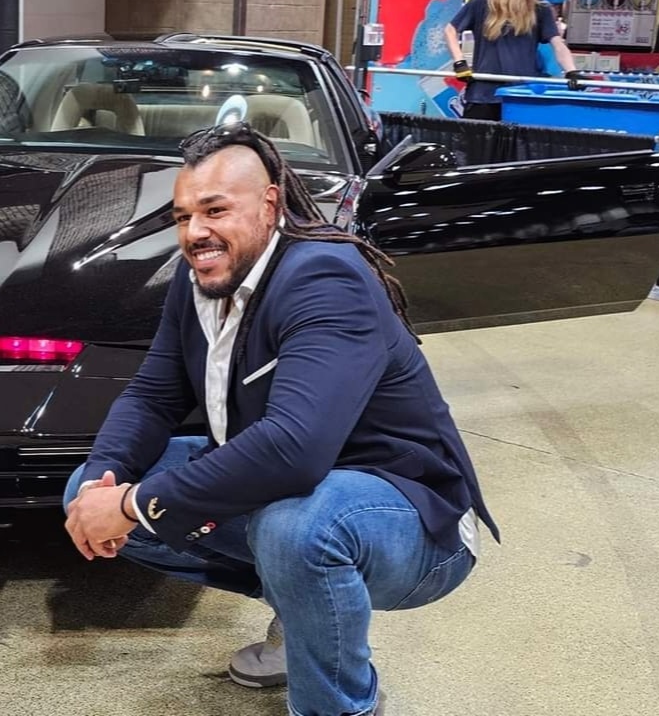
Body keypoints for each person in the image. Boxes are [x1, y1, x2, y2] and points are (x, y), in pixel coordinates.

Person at [63, 122, 499, 716]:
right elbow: (151, 396)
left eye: (215, 210)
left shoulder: (325, 278)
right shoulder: (198, 281)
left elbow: (295, 449)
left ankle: (338, 705)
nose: (195, 232)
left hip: (412, 520)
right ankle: (306, 615)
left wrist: (136, 503)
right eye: (184, 216)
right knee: (86, 488)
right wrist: (103, 482)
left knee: (296, 530)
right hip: (300, 494)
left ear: (270, 203)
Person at [445, 0, 581, 120]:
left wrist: (571, 71)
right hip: (483, 94)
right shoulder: (481, 2)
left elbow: (557, 44)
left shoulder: (539, 6)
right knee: (477, 139)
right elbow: (450, 30)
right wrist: (459, 62)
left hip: (521, 95)